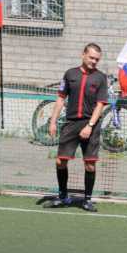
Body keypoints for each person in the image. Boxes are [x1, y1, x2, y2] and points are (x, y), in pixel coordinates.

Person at [44, 43, 108, 212]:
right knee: (60, 161)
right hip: (71, 124)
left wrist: (90, 126)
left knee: (90, 165)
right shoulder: (69, 74)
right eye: (91, 57)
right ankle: (63, 196)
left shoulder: (101, 78)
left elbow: (101, 104)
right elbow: (60, 99)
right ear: (83, 55)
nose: (94, 61)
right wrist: (52, 121)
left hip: (90, 125)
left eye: (97, 59)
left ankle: (87, 200)